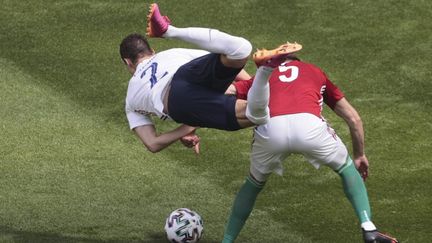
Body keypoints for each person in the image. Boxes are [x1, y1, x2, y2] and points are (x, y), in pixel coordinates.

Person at [221, 50, 399, 243]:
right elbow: (353, 118)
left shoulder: (261, 76)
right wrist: (359, 155)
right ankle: (369, 228)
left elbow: (227, 91)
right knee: (346, 169)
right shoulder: (314, 71)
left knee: (253, 183)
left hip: (270, 129)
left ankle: (227, 240)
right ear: (298, 61)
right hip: (310, 127)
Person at [120, 3, 297, 153]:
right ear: (152, 51)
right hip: (184, 74)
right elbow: (223, 60)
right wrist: (252, 84)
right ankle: (169, 31)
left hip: (178, 103)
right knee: (239, 50)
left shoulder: (131, 98)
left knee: (257, 114)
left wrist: (185, 128)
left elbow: (152, 143)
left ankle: (266, 76)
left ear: (127, 62)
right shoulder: (171, 54)